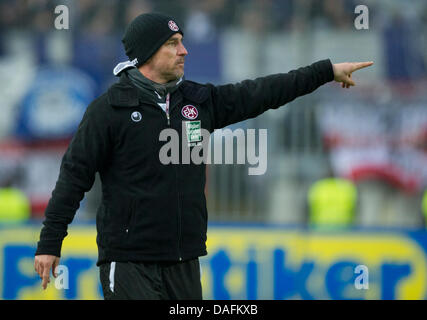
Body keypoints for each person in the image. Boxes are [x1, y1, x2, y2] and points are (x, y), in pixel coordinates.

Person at [34, 12, 373, 299]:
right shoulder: (108, 110)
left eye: (181, 41)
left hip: (185, 259)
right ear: (147, 54)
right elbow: (73, 177)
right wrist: (50, 242)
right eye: (172, 44)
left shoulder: (198, 100)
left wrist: (325, 71)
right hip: (129, 261)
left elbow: (263, 92)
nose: (184, 51)